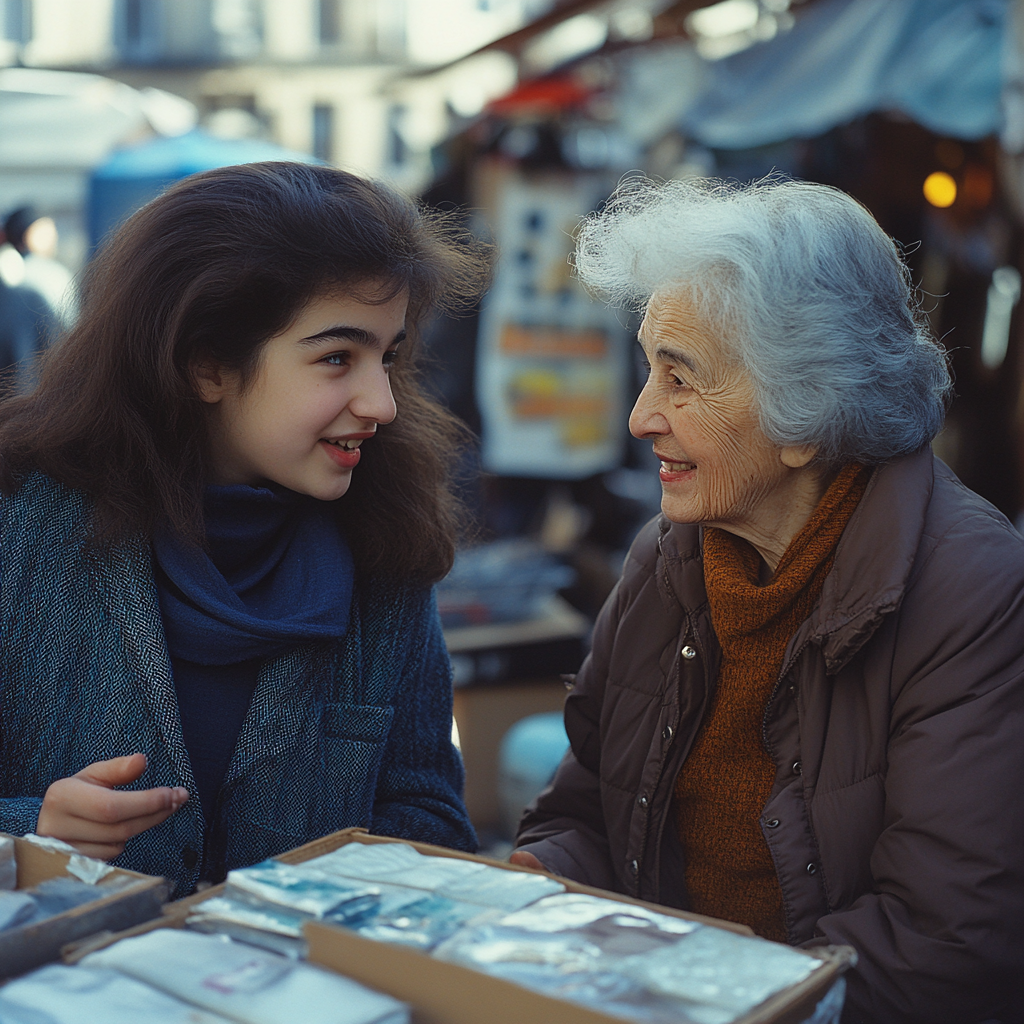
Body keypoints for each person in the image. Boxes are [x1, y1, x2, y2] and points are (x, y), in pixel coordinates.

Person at [512, 177, 1024, 1024]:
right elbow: (585, 812)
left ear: (808, 412)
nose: (642, 416)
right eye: (649, 370)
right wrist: (536, 877)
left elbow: (946, 941)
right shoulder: (664, 558)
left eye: (681, 380)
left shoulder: (975, 592)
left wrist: (710, 997)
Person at [0, 162, 489, 896]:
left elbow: (429, 816)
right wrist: (29, 831)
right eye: (336, 358)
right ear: (206, 364)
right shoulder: (19, 521)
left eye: (387, 357)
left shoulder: (387, 544)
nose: (382, 401)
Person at [2, 206, 77, 328]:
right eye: (45, 231)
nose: (54, 236)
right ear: (25, 235)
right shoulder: (48, 275)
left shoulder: (11, 271)